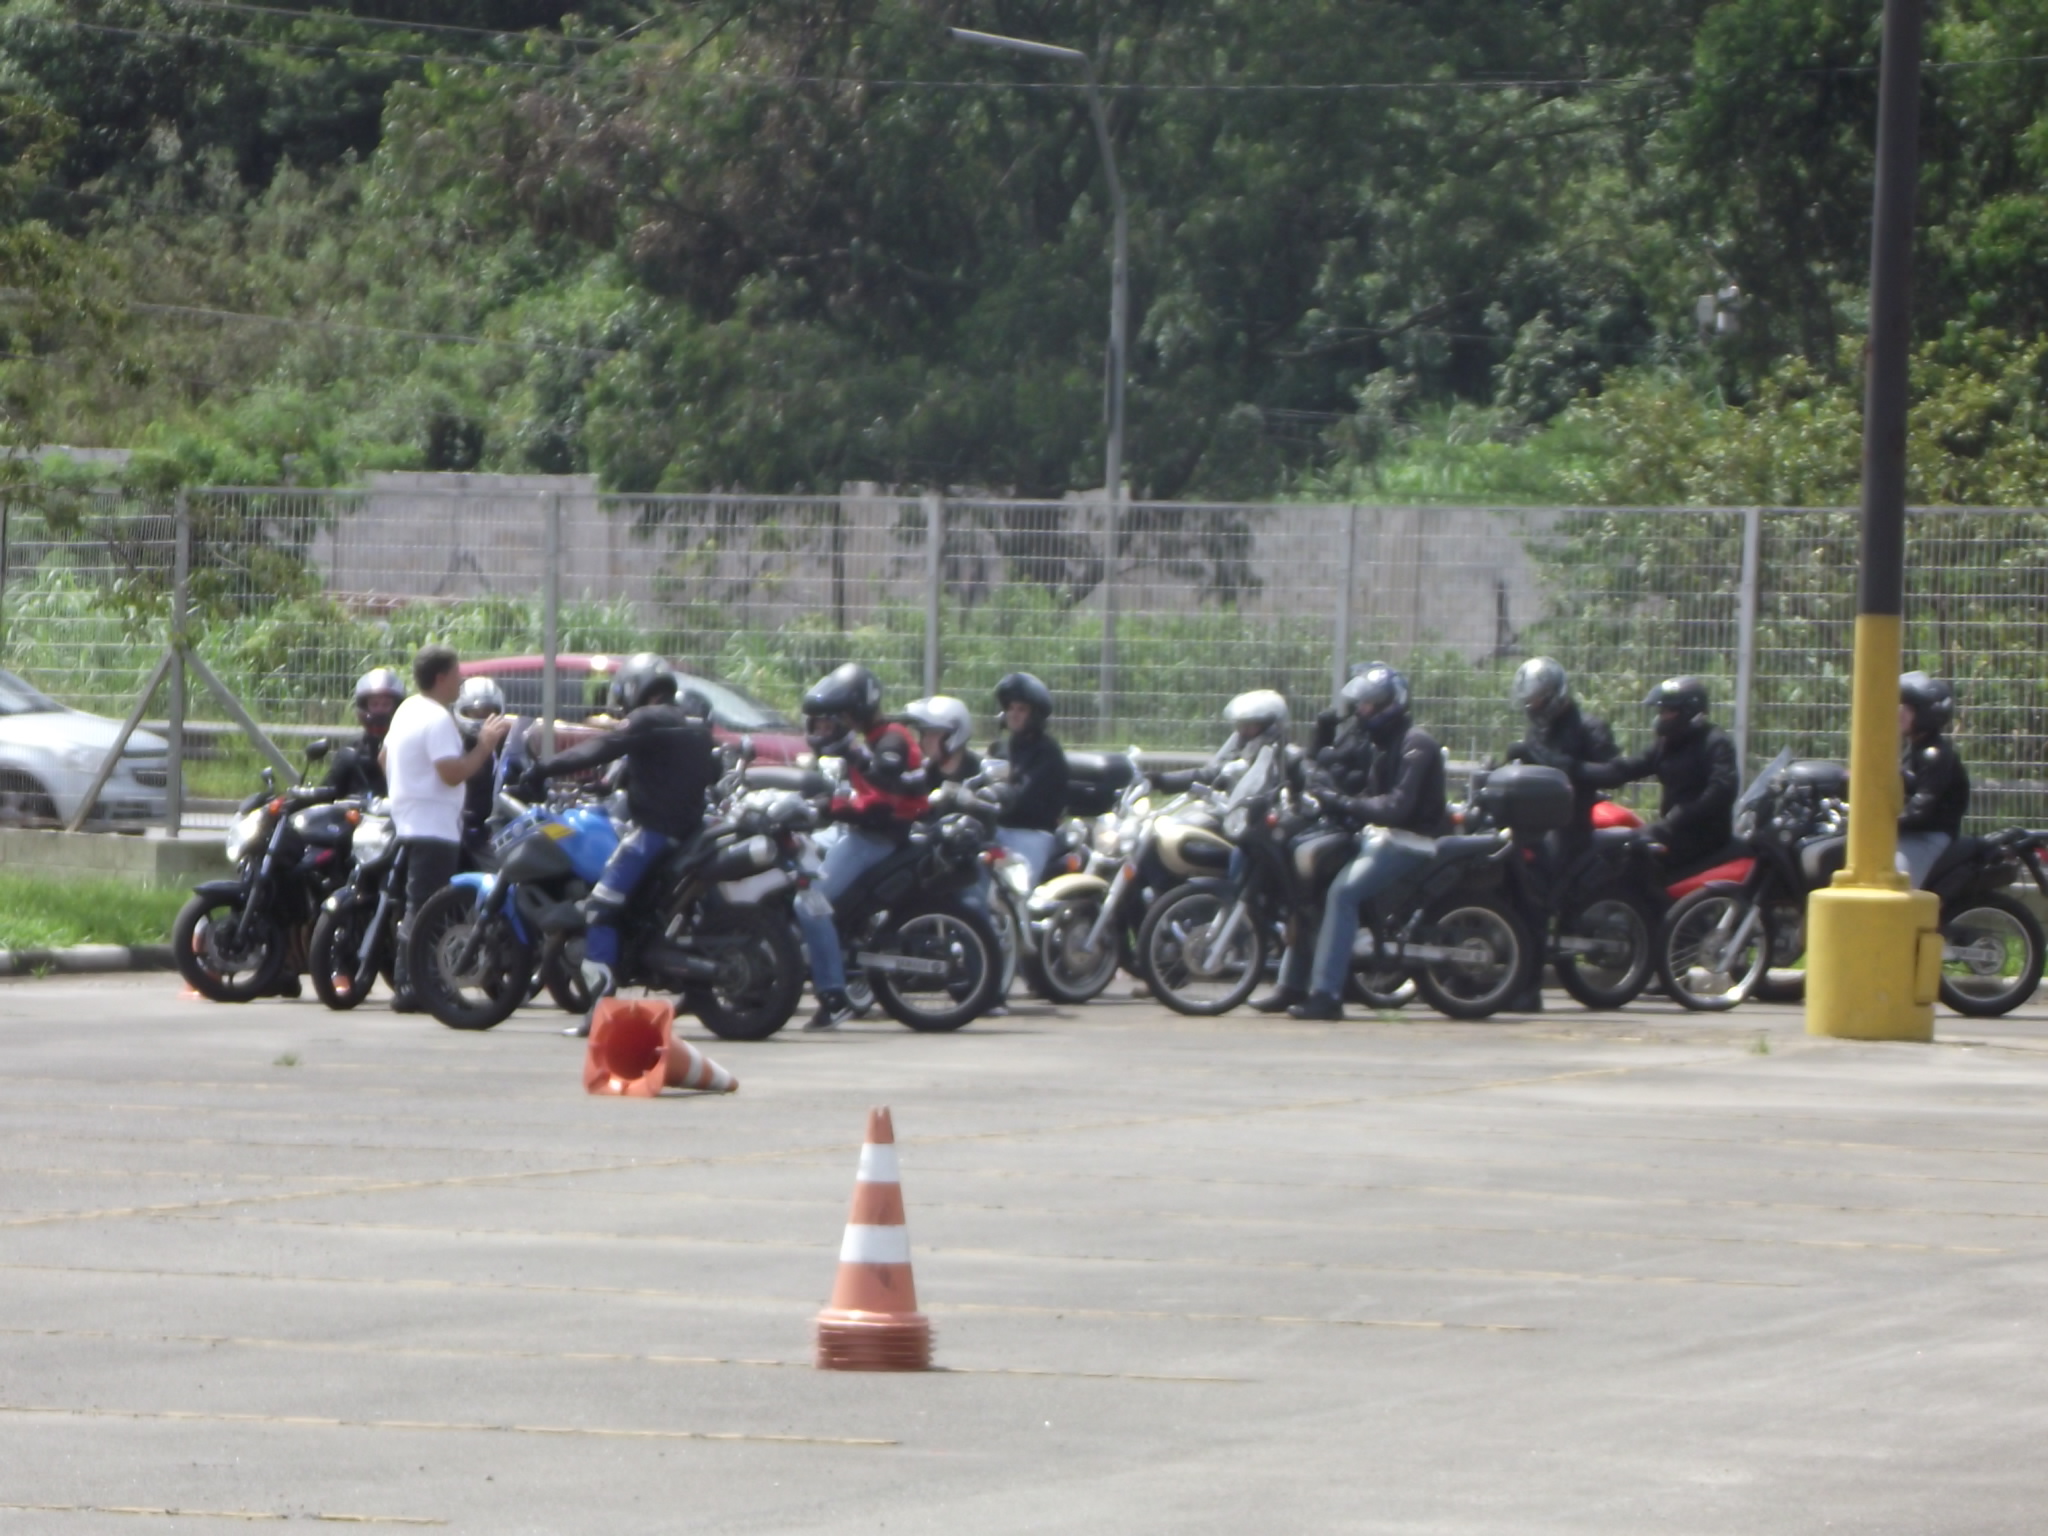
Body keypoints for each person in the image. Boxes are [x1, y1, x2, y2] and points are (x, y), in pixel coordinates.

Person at [517, 653, 721, 1035]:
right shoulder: (692, 724)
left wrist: (544, 767)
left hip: (653, 834)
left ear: (633, 688)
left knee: (599, 908)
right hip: (689, 833)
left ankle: (600, 1008)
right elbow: (691, 772)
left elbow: (598, 748)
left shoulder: (646, 720)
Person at [1269, 665, 1448, 1021]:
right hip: (1380, 835)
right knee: (1315, 888)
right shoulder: (1383, 744)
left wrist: (1344, 803)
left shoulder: (1417, 744)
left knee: (1343, 893)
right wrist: (1327, 796)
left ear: (1389, 706)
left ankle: (1327, 995)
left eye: (1369, 705)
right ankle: (1292, 984)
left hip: (1410, 841)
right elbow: (1367, 794)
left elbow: (1397, 806)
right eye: (1361, 704)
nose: (1361, 711)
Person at [794, 663, 929, 1031]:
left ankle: (833, 996)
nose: (835, 725)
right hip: (860, 834)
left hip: (875, 839)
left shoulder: (891, 741)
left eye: (840, 716)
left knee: (810, 904)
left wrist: (833, 805)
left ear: (857, 711)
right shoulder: (876, 739)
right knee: (797, 853)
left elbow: (881, 799)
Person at [386, 646, 510, 1012]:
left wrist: (408, 785)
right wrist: (485, 746)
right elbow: (452, 773)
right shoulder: (437, 718)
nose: (461, 681)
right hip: (434, 827)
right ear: (441, 678)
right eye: (457, 674)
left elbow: (384, 757)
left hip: (409, 820)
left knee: (418, 905)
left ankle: (413, 983)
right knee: (427, 910)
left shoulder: (407, 710)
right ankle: (416, 985)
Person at [1580, 676, 1739, 870]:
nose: (1661, 717)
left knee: (1629, 853)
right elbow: (1626, 769)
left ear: (1689, 712)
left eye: (1668, 711)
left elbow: (1722, 790)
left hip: (1704, 837)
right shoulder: (1667, 745)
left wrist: (1681, 815)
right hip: (1674, 830)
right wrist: (1576, 771)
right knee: (1613, 844)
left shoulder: (1715, 743)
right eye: (1661, 711)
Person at [1506, 656, 1617, 846]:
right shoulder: (1537, 732)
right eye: (1528, 702)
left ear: (1553, 695)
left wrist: (1567, 767)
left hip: (1570, 826)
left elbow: (1612, 774)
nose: (1532, 707)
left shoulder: (1589, 728)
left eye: (1536, 700)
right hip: (1532, 821)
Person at [986, 672, 1069, 884]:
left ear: (1035, 715)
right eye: (1010, 708)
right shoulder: (1002, 748)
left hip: (1032, 833)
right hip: (999, 830)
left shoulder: (1047, 752)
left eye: (1021, 709)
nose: (1013, 714)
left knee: (1017, 889)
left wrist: (1000, 792)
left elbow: (1023, 796)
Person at [1898, 670, 1968, 888]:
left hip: (1930, 836)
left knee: (1895, 884)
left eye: (1908, 708)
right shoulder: (1914, 749)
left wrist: (1882, 822)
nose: (1899, 712)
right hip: (1910, 834)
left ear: (1927, 714)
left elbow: (1920, 809)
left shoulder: (1935, 755)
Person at [1151, 690, 1293, 792]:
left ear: (1271, 727)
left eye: (1249, 725)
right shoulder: (1242, 747)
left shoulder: (1290, 760)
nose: (1242, 732)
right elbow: (1212, 773)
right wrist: (1160, 780)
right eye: (1240, 725)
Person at [325, 668, 402, 801]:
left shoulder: (407, 746)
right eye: (375, 704)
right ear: (364, 707)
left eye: (386, 705)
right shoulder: (351, 751)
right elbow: (328, 792)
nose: (380, 711)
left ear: (396, 708)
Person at [454, 675, 509, 860]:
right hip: (463, 831)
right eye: (475, 713)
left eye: (487, 712)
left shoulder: (506, 744)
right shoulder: (455, 744)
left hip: (496, 829)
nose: (482, 718)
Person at [903, 696, 980, 785]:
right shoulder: (923, 775)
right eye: (923, 733)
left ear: (955, 733)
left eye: (934, 733)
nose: (925, 740)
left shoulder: (981, 774)